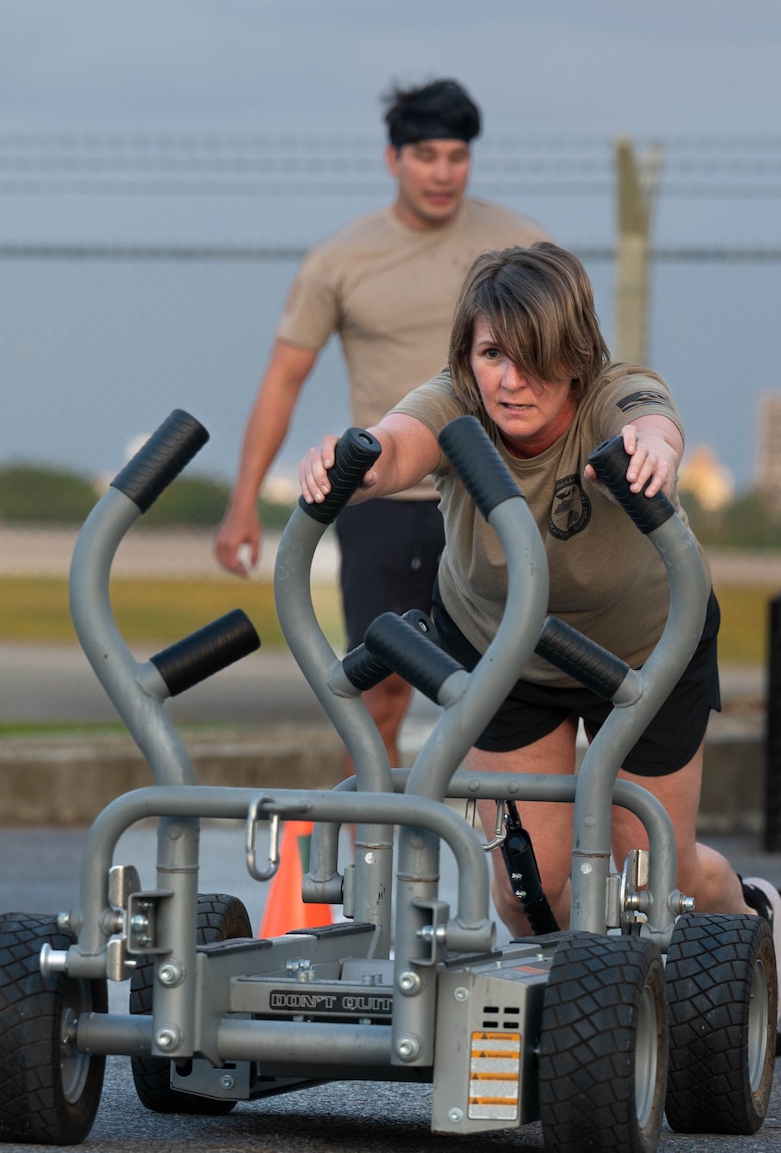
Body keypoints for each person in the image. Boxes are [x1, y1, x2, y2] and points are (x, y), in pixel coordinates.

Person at [298, 242, 780, 938]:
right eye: (493, 354)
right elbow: (398, 441)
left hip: (644, 650)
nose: (511, 381)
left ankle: (751, 921)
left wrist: (653, 453)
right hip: (508, 652)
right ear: (467, 355)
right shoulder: (455, 401)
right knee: (529, 889)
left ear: (578, 353)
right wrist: (357, 461)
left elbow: (652, 423)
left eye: (536, 355)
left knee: (654, 877)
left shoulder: (614, 391)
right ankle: (557, 1024)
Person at [215, 79, 547, 764]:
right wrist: (243, 501)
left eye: (457, 156)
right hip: (386, 499)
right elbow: (283, 380)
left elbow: (572, 369)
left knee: (514, 693)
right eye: (426, 155)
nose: (443, 173)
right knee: (379, 692)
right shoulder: (341, 259)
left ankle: (510, 863)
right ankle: (378, 858)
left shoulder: (521, 247)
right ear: (393, 158)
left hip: (499, 496)